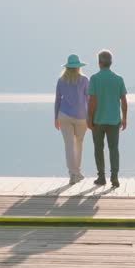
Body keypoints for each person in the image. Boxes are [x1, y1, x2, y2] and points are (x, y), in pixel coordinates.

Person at [87, 49, 127, 188]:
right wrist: (124, 118)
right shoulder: (118, 79)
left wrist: (89, 118)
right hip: (114, 120)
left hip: (98, 120)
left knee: (99, 148)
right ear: (111, 63)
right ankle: (115, 177)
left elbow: (92, 100)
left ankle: (101, 177)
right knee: (114, 148)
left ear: (99, 63)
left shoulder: (94, 79)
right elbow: (123, 100)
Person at [54, 54, 90, 185]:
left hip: (64, 115)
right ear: (78, 66)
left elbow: (58, 99)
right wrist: (91, 116)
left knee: (68, 144)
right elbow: (89, 99)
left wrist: (55, 118)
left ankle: (72, 174)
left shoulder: (61, 80)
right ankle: (77, 172)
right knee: (78, 144)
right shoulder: (85, 80)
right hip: (82, 117)